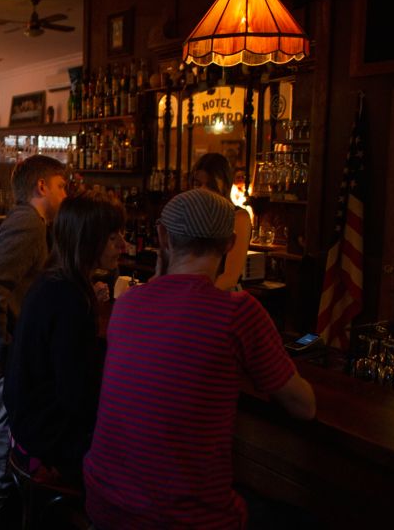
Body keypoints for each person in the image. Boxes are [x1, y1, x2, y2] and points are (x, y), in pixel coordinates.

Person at [84, 188, 316, 529]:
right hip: (184, 520)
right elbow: (304, 406)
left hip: (103, 504)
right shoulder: (238, 313)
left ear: (162, 236)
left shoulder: (128, 305)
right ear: (230, 243)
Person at [0, 155, 68, 530]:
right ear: (42, 187)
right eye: (61, 185)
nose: (64, 194)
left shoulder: (27, 222)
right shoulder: (29, 224)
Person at [4, 195, 125, 484]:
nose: (122, 244)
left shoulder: (53, 282)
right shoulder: (68, 298)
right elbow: (76, 396)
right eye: (112, 237)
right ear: (87, 240)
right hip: (47, 438)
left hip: (26, 426)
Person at [192, 153, 252, 291]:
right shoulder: (193, 215)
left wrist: (192, 297)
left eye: (211, 185)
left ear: (225, 184)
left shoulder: (238, 217)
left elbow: (230, 277)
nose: (203, 190)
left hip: (220, 297)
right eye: (198, 184)